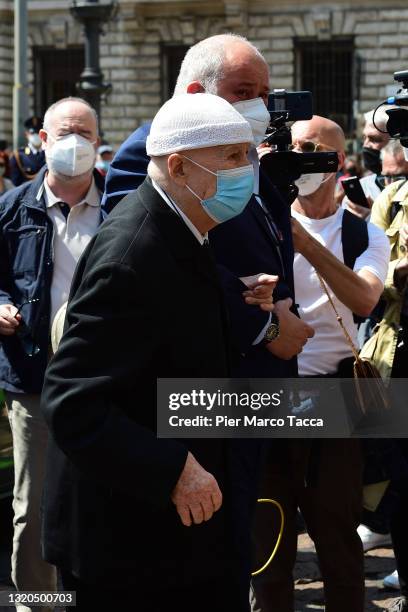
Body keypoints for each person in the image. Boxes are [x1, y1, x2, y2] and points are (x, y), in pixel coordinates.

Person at [41, 92, 275, 611]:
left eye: (248, 154)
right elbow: (71, 402)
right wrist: (173, 468)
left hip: (175, 537)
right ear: (178, 166)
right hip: (127, 547)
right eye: (233, 157)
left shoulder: (184, 227)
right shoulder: (133, 253)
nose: (247, 170)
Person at [103, 33, 313, 377]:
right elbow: (155, 257)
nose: (258, 108)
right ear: (196, 94)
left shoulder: (245, 153)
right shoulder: (147, 153)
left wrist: (278, 309)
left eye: (263, 95)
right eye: (243, 93)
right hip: (210, 370)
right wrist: (266, 328)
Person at [251, 115, 390, 612]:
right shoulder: (256, 222)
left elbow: (366, 300)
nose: (302, 157)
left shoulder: (363, 235)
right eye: (295, 147)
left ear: (338, 163)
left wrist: (304, 241)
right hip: (268, 400)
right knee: (268, 542)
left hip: (334, 403)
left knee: (337, 538)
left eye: (314, 148)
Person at [0, 97, 107, 612]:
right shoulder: (13, 207)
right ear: (42, 140)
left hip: (104, 379)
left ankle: (93, 595)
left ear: (99, 140)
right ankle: (39, 601)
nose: (76, 143)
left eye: (86, 133)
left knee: (102, 497)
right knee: (36, 504)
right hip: (32, 376)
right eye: (66, 132)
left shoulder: (122, 206)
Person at [364, 172, 408, 612]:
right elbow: (371, 287)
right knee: (399, 481)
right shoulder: (393, 199)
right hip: (396, 359)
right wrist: (401, 270)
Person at [9, 117, 46, 186]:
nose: (35, 135)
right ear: (26, 134)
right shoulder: (18, 155)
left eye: (38, 133)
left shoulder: (49, 153)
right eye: (32, 133)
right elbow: (15, 183)